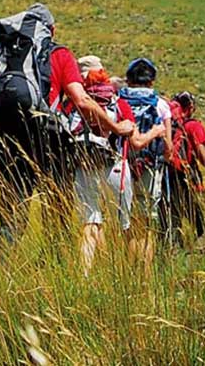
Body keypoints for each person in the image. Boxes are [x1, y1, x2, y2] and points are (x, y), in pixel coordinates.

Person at [0, 5, 128, 251]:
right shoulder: (60, 55)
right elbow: (83, 101)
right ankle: (56, 268)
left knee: (13, 216)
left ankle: (3, 271)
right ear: (50, 30)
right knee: (56, 214)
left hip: (9, 145)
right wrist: (116, 128)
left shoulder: (3, 59)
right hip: (50, 144)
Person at [67, 56, 135, 272]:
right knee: (125, 222)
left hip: (83, 164)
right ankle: (129, 273)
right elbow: (132, 137)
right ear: (103, 73)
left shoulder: (72, 102)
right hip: (114, 164)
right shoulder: (117, 101)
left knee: (91, 220)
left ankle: (85, 273)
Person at [110, 57, 172, 264]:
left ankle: (128, 270)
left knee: (127, 221)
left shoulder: (118, 100)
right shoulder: (160, 105)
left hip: (121, 165)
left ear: (128, 79)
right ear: (151, 81)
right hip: (150, 168)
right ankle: (144, 276)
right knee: (146, 224)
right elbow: (169, 149)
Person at [165, 91, 205, 249]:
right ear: (191, 107)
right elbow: (203, 156)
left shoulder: (165, 123)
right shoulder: (193, 126)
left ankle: (173, 261)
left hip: (165, 180)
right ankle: (200, 261)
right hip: (188, 179)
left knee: (171, 228)